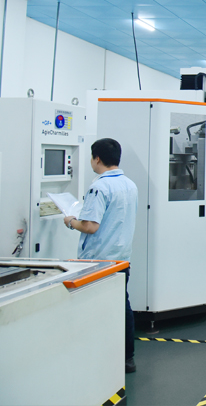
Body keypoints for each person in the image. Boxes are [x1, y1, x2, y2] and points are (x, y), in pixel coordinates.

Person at [63, 138, 138, 373]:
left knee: (94, 309)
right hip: (121, 258)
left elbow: (90, 226)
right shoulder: (130, 185)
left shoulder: (100, 187)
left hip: (98, 260)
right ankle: (127, 358)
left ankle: (96, 359)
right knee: (122, 306)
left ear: (97, 159)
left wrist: (71, 221)